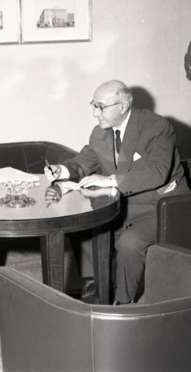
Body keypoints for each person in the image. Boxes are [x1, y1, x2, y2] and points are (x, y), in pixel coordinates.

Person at [45, 80, 189, 304]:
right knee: (81, 226)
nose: (94, 113)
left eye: (100, 107)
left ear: (122, 106)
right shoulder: (100, 133)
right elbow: (86, 160)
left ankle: (123, 304)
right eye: (93, 105)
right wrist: (61, 170)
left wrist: (109, 181)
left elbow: (157, 172)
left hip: (161, 208)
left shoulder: (156, 128)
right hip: (121, 205)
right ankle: (98, 285)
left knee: (129, 243)